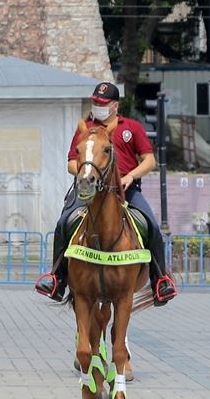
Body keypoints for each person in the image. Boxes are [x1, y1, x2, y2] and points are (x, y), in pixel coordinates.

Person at [34, 82, 177, 306]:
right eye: (95, 102)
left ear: (115, 106)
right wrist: (85, 173)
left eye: (102, 103)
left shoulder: (132, 127)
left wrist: (130, 176)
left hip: (126, 191)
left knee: (152, 225)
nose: (97, 106)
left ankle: (160, 280)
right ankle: (57, 277)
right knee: (64, 222)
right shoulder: (86, 130)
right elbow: (72, 162)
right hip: (89, 190)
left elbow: (149, 161)